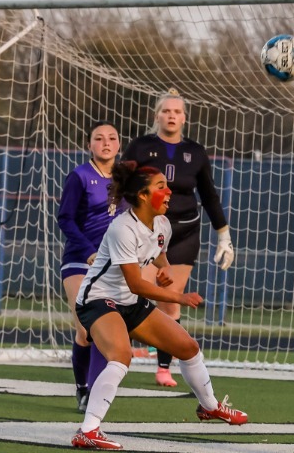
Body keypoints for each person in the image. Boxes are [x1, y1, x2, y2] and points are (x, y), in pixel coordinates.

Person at [71, 161, 247, 450]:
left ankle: (209, 406)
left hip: (129, 302)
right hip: (98, 300)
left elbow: (157, 252)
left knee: (188, 348)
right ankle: (87, 430)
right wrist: (179, 297)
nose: (169, 192)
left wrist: (163, 268)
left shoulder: (162, 223)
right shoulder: (122, 228)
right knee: (121, 356)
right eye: (161, 187)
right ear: (142, 195)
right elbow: (136, 284)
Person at [122, 88, 234, 387]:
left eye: (177, 112)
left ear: (184, 118)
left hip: (184, 232)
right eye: (166, 111)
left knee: (171, 300)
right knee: (135, 292)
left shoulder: (195, 152)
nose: (171, 116)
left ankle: (163, 367)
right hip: (146, 233)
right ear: (157, 115)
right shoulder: (140, 147)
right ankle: (119, 352)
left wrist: (223, 235)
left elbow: (209, 195)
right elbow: (121, 185)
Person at [58, 121, 122, 412]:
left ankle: (95, 394)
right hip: (79, 261)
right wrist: (88, 252)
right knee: (85, 330)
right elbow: (65, 218)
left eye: (111, 138)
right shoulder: (80, 176)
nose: (106, 143)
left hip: (114, 264)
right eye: (99, 138)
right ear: (89, 144)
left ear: (119, 144)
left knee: (105, 331)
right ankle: (82, 388)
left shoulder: (126, 178)